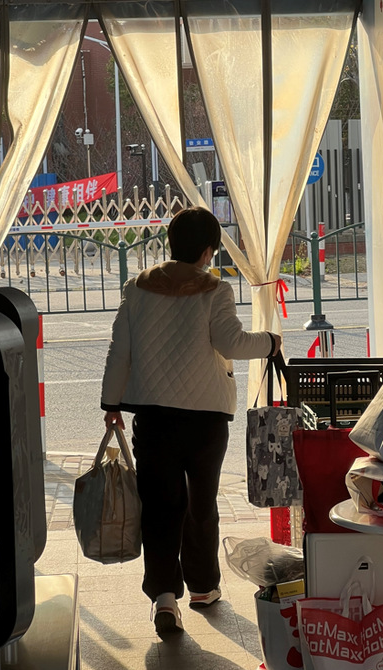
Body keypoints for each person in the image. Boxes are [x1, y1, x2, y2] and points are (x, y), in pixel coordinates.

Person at [101, 207, 281, 638]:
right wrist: (271, 342)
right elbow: (231, 343)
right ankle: (203, 588)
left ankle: (164, 599)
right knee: (201, 503)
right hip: (206, 418)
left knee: (161, 506)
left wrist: (111, 404)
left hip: (153, 417)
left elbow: (119, 350)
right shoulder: (215, 289)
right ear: (207, 251)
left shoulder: (136, 288)